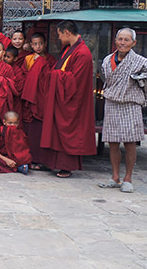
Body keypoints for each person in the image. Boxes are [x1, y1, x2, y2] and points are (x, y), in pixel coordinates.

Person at [98, 28, 147, 193]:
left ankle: (128, 178)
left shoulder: (142, 63)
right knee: (113, 142)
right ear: (115, 41)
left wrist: (143, 99)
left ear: (133, 43)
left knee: (130, 143)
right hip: (111, 103)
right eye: (120, 39)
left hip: (131, 104)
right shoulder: (107, 60)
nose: (122, 43)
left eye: (126, 40)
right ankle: (115, 177)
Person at [41, 20, 96, 179]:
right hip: (62, 96)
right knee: (56, 130)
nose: (59, 39)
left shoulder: (83, 53)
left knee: (67, 131)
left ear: (66, 33)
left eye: (59, 35)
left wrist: (54, 76)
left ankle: (67, 166)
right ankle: (54, 163)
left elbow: (75, 81)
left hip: (72, 100)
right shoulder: (70, 49)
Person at [19, 33, 55, 169]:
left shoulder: (50, 59)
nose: (38, 46)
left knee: (40, 130)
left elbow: (50, 77)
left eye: (40, 43)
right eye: (35, 44)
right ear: (31, 45)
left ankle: (41, 159)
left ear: (45, 44)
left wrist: (41, 64)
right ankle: (30, 158)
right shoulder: (28, 59)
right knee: (30, 131)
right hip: (30, 97)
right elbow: (24, 75)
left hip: (42, 98)